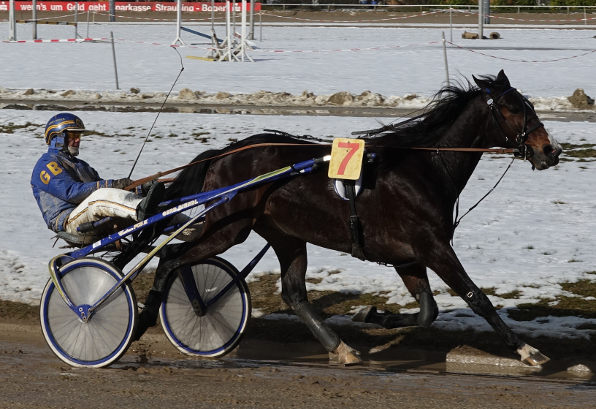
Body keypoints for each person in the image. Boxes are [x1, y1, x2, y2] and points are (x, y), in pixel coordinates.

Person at [31, 113, 165, 236]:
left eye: (78, 136)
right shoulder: (46, 165)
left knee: (161, 208)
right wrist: (112, 184)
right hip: (69, 221)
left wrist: (140, 188)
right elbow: (71, 193)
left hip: (89, 214)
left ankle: (183, 229)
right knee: (100, 195)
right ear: (57, 138)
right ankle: (140, 209)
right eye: (73, 136)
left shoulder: (81, 165)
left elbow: (108, 190)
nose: (78, 141)